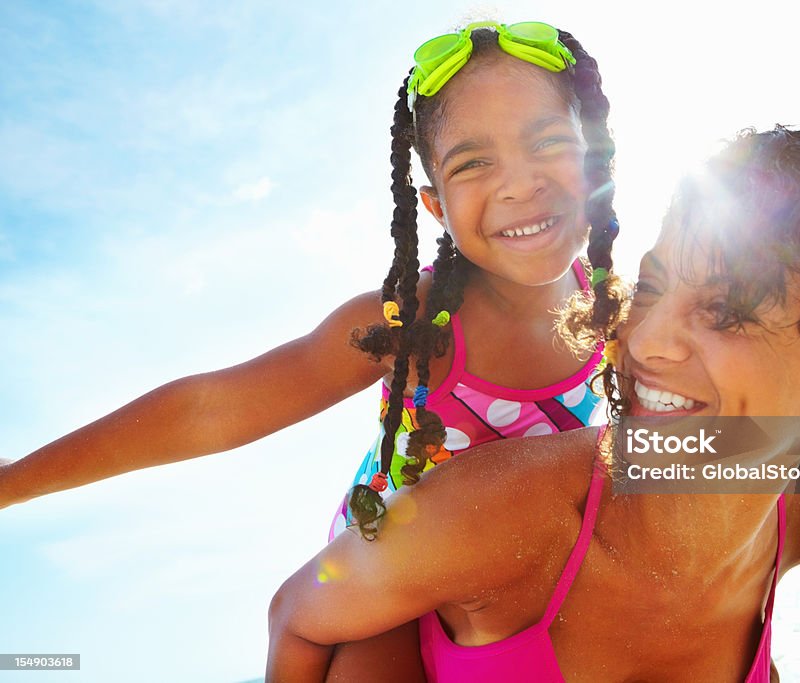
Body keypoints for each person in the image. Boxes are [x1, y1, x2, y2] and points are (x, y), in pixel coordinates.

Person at [0, 19, 625, 680]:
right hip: (391, 581)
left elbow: (701, 446)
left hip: (529, 571)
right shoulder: (411, 325)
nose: (519, 184)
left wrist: (740, 460)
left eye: (548, 142)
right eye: (474, 163)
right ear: (435, 205)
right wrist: (14, 480)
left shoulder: (631, 320)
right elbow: (210, 409)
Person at [265, 123, 800, 682]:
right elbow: (298, 614)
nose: (647, 340)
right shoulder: (502, 510)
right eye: (651, 288)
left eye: (724, 311)